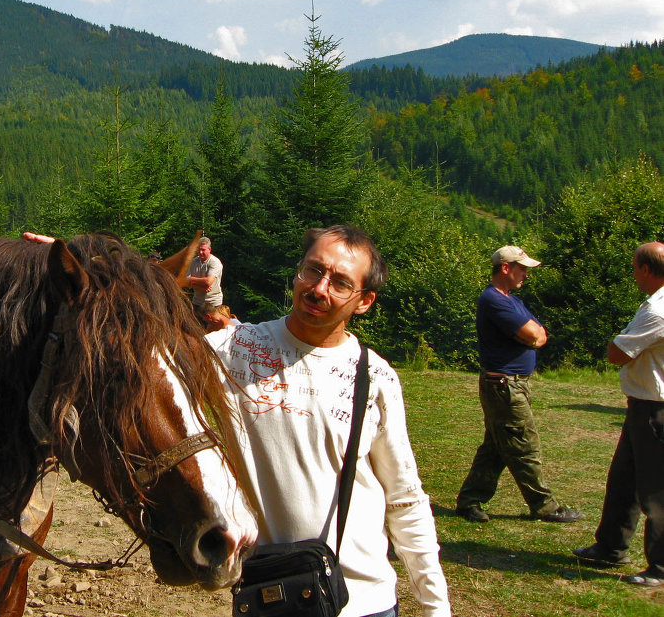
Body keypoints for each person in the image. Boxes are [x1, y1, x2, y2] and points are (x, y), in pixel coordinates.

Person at [207, 225, 450, 617]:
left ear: (364, 301)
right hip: (269, 597)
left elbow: (405, 499)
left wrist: (436, 606)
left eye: (340, 283)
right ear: (297, 272)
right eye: (313, 270)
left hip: (363, 602)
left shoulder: (374, 377)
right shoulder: (231, 351)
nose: (319, 289)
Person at [455, 246, 581, 523]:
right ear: (505, 268)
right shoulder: (494, 300)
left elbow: (538, 333)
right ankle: (545, 506)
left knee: (498, 445)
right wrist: (533, 336)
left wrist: (534, 335)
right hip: (504, 385)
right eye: (522, 268)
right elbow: (532, 334)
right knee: (524, 444)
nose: (525, 274)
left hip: (510, 385)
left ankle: (469, 500)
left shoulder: (511, 299)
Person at [574, 241, 664, 586]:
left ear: (644, 269)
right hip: (644, 405)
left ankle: (660, 568)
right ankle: (611, 546)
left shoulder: (657, 310)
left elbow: (617, 353)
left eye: (634, 267)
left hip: (656, 408)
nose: (633, 273)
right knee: (624, 480)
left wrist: (619, 342)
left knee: (656, 489)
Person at [185, 236, 223, 314]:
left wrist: (191, 279)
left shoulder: (214, 262)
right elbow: (185, 281)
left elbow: (208, 282)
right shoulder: (194, 262)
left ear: (209, 249)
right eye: (199, 250)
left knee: (212, 325)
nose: (201, 252)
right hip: (197, 302)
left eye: (203, 250)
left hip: (212, 303)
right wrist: (201, 286)